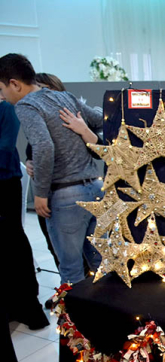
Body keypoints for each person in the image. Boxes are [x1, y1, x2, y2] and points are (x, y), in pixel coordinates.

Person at [0, 53, 104, 285]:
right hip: (95, 188)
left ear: (14, 84)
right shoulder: (64, 96)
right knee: (101, 265)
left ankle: (75, 311)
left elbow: (44, 146)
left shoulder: (26, 105)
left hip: (65, 195)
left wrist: (39, 193)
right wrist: (84, 130)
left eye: (1, 89)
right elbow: (101, 118)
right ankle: (111, 308)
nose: (3, 97)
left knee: (71, 271)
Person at [24, 73, 101, 272]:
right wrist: (31, 163)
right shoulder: (41, 116)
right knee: (78, 261)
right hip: (62, 190)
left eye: (45, 89)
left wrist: (84, 130)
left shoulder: (71, 111)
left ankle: (77, 291)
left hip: (66, 191)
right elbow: (34, 150)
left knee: (76, 266)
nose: (42, 95)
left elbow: (102, 147)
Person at [0, 93, 49, 330]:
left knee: (13, 241)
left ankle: (28, 306)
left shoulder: (5, 109)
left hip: (5, 184)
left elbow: (5, 147)